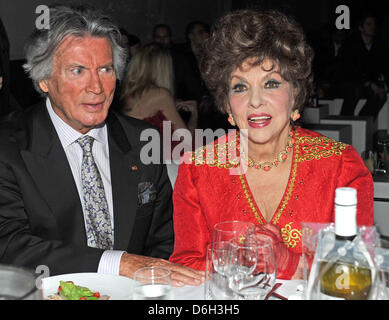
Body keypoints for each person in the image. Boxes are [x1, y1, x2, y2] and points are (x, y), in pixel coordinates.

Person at [0, 5, 203, 287]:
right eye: (78, 70)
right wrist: (116, 263)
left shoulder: (142, 140)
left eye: (105, 69)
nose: (96, 86)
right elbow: (9, 245)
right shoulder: (9, 147)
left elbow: (165, 239)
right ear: (44, 80)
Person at [169, 9, 374, 279]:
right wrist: (239, 261)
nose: (255, 101)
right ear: (226, 103)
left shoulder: (340, 165)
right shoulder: (197, 169)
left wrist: (288, 261)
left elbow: (359, 269)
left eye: (271, 83)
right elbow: (186, 265)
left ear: (295, 95)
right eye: (240, 87)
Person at [120, 44, 198, 146]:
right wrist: (194, 114)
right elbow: (187, 141)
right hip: (150, 158)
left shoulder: (125, 92)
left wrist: (171, 107)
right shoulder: (161, 95)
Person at [338, 13, 389, 119]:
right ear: (361, 28)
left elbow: (382, 67)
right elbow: (348, 69)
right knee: (354, 90)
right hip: (351, 82)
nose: (372, 27)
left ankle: (364, 120)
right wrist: (369, 83)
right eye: (368, 24)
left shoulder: (379, 45)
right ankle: (344, 120)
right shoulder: (350, 44)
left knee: (381, 96)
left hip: (369, 84)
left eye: (374, 24)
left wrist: (381, 84)